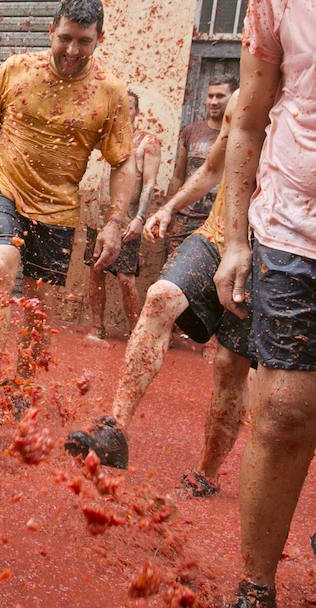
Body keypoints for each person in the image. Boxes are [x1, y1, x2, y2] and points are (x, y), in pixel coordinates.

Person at [0, 0, 135, 429]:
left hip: (60, 209)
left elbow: (123, 162)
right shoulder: (18, 69)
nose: (72, 51)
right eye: (65, 38)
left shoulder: (110, 92)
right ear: (52, 31)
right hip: (4, 187)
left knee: (37, 306)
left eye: (84, 42)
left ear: (99, 40)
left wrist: (114, 220)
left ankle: (21, 382)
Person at [65, 91, 258, 499]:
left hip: (269, 248)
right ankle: (115, 429)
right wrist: (169, 208)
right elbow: (211, 168)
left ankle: (207, 470)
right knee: (160, 296)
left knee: (230, 365)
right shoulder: (245, 99)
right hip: (217, 234)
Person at [213, 1, 315, 605]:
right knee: (283, 412)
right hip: (291, 228)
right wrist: (233, 240)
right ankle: (256, 587)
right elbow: (247, 122)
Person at [83, 90, 161, 339]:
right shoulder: (107, 139)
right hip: (100, 217)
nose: (123, 111)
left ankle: (135, 331)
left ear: (136, 111)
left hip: (127, 220)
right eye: (119, 107)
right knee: (96, 270)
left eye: (129, 107)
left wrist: (140, 218)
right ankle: (97, 326)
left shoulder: (147, 142)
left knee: (125, 279)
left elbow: (149, 183)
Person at [164, 74, 236, 255]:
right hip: (185, 220)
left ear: (234, 98)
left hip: (219, 223)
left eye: (220, 96)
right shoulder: (190, 132)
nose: (213, 101)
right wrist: (169, 212)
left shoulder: (241, 136)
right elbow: (178, 176)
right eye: (210, 96)